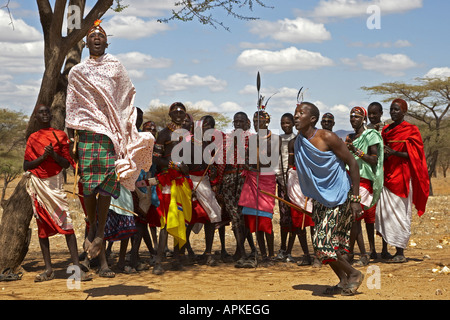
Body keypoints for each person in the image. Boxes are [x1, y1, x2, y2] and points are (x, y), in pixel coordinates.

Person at [65, 20, 154, 278]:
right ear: (86, 42)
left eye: (100, 36)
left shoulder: (116, 67)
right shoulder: (77, 72)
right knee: (88, 187)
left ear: (107, 42)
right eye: (92, 36)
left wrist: (125, 125)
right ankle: (95, 228)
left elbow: (127, 95)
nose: (96, 39)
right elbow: (72, 106)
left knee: (106, 184)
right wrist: (72, 137)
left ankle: (99, 233)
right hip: (87, 132)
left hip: (109, 134)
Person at [293, 102, 364, 296]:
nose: (296, 116)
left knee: (322, 244)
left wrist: (356, 198)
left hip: (340, 195)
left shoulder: (327, 137)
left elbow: (352, 163)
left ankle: (354, 273)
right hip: (321, 199)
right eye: (295, 113)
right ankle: (343, 280)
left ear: (313, 119)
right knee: (328, 246)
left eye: (301, 113)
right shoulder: (298, 141)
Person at [24, 104, 91, 282]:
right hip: (39, 185)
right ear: (36, 117)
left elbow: (66, 164)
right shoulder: (33, 138)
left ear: (51, 116)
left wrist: (53, 156)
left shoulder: (59, 135)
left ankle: (76, 269)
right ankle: (48, 270)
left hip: (55, 184)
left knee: (67, 224)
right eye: (41, 112)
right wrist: (43, 158)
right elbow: (26, 165)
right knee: (42, 227)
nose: (45, 115)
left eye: (47, 112)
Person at [376, 99, 429, 263]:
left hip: (402, 177)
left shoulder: (411, 130)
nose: (393, 112)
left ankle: (400, 252)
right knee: (384, 214)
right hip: (387, 175)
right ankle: (384, 250)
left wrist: (395, 153)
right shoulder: (386, 129)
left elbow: (416, 155)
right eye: (391, 109)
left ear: (404, 112)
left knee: (400, 214)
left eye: (396, 110)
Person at [152, 102, 192, 275]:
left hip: (183, 182)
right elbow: (156, 159)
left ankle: (177, 258)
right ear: (170, 115)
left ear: (185, 115)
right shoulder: (163, 134)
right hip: (168, 182)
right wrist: (173, 165)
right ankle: (159, 261)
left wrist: (186, 168)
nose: (178, 115)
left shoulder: (189, 135)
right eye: (175, 112)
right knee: (167, 222)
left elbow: (191, 159)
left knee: (181, 219)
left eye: (181, 112)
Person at [239, 109, 279, 266]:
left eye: (260, 122)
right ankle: (262, 255)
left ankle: (271, 255)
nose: (257, 125)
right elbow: (247, 158)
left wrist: (255, 163)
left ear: (267, 122)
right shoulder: (252, 140)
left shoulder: (274, 139)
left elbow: (272, 162)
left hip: (266, 181)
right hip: (252, 181)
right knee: (255, 222)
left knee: (265, 220)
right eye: (254, 122)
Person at [345, 107, 384, 265]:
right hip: (350, 179)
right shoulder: (350, 136)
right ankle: (352, 253)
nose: (353, 119)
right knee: (352, 219)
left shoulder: (370, 135)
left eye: (356, 116)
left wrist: (355, 151)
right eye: (351, 117)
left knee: (356, 217)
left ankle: (362, 254)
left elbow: (374, 159)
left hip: (364, 180)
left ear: (364, 119)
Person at [220, 112, 256, 267]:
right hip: (228, 180)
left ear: (247, 122)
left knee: (242, 216)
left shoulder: (252, 138)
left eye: (241, 121)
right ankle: (241, 251)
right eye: (236, 121)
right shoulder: (226, 138)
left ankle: (248, 250)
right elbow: (220, 161)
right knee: (235, 217)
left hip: (244, 180)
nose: (238, 124)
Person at [286, 137, 319, 267]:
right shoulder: (293, 142)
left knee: (312, 222)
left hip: (311, 181)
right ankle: (306, 255)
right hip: (295, 184)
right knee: (298, 222)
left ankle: (317, 254)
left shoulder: (315, 141)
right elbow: (290, 166)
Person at [274, 113, 297, 262]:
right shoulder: (278, 140)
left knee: (294, 216)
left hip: (294, 183)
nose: (285, 125)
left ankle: (289, 249)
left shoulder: (297, 140)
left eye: (288, 123)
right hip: (281, 181)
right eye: (283, 123)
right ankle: (282, 248)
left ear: (293, 124)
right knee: (284, 217)